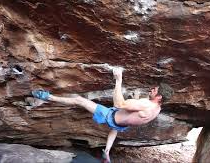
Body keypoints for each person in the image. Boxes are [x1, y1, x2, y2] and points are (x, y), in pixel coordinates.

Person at [32, 68, 173, 163]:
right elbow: (138, 112)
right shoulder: (157, 109)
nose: (152, 89)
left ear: (159, 96)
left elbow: (119, 105)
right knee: (114, 129)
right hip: (121, 124)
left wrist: (119, 80)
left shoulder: (146, 104)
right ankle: (107, 153)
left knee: (79, 100)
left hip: (110, 116)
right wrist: (135, 99)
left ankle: (47, 97)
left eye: (155, 90)